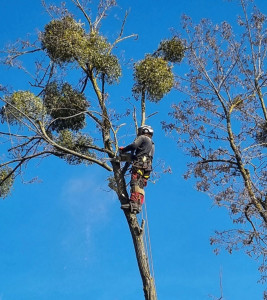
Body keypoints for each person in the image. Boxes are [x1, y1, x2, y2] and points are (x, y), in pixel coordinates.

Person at [119, 125, 155, 213]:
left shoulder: (143, 138)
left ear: (144, 131)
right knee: (140, 185)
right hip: (147, 168)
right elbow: (144, 154)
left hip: (140, 164)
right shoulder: (152, 144)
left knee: (135, 183)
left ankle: (133, 203)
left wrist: (124, 150)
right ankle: (137, 205)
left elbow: (134, 145)